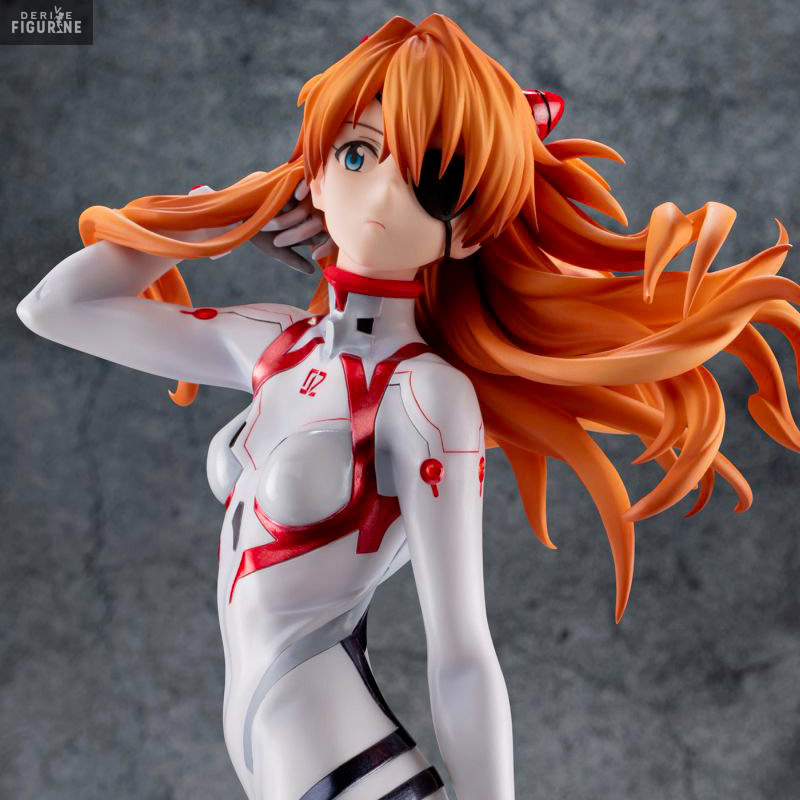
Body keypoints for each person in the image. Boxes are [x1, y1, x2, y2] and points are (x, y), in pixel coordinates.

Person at [16, 13, 800, 800]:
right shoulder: (273, 344)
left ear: (466, 233)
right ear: (316, 172)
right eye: (356, 153)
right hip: (283, 760)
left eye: (434, 181)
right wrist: (227, 213)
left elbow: (461, 651)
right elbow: (55, 308)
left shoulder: (425, 396)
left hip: (352, 771)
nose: (384, 192)